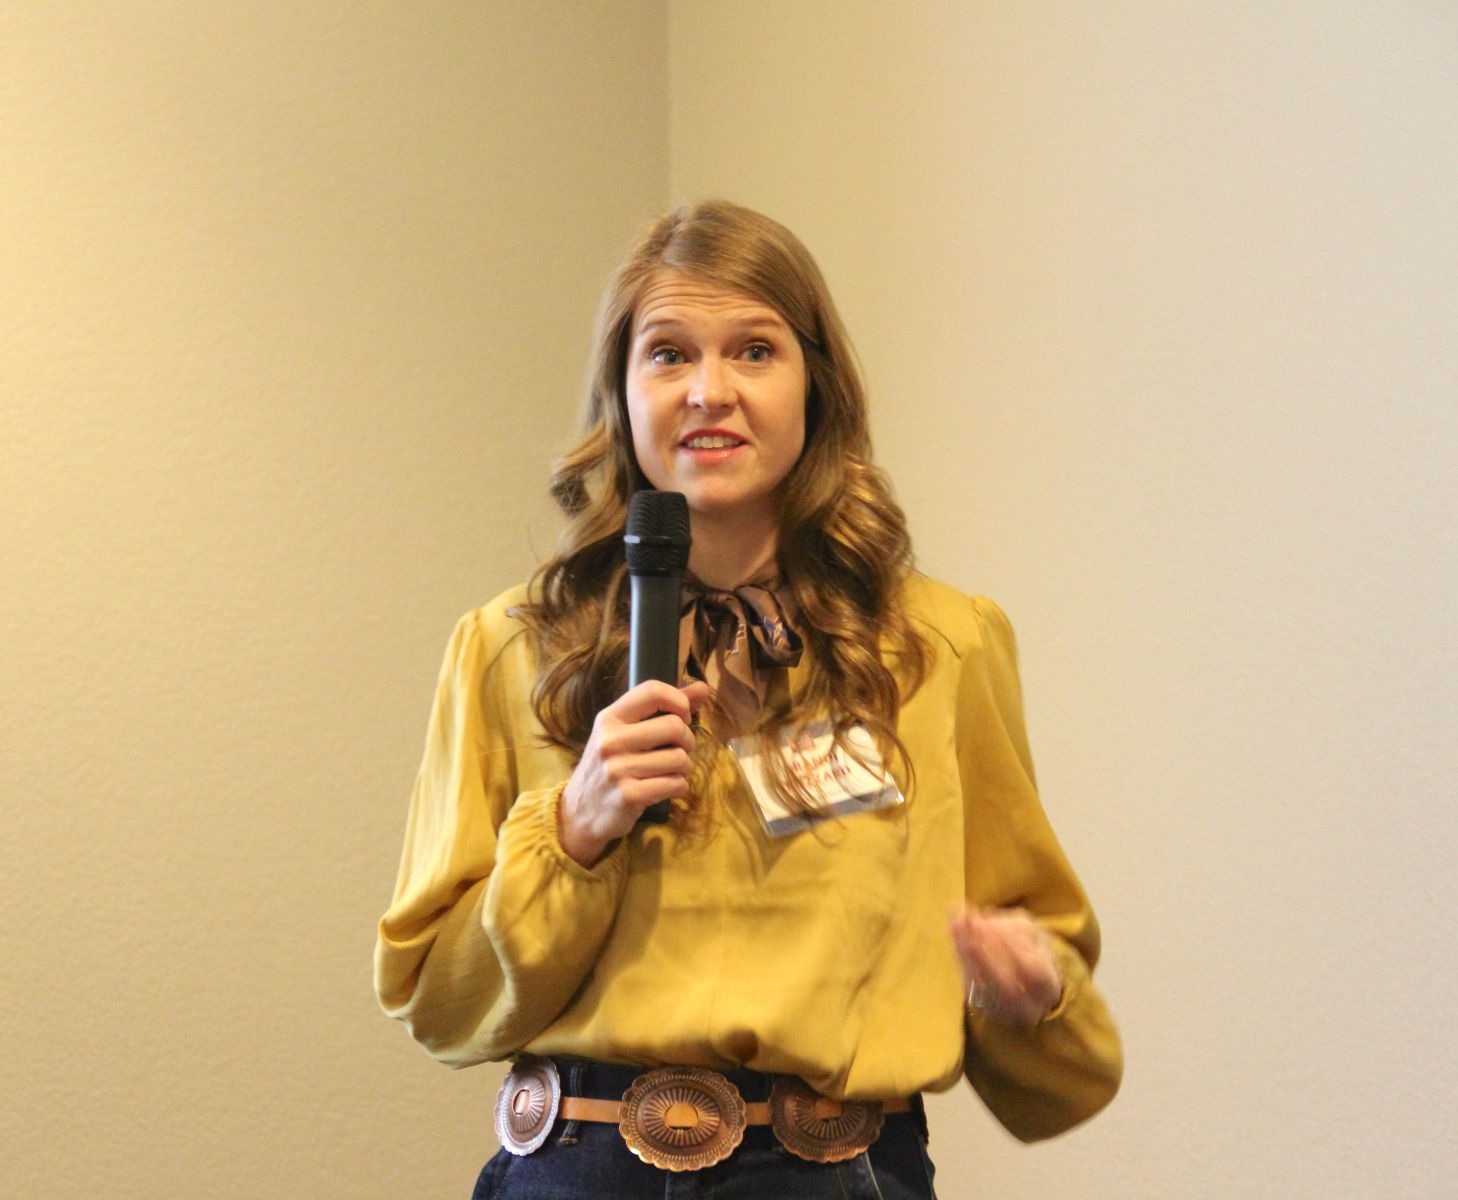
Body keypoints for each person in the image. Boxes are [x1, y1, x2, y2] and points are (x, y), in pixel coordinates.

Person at [374, 200, 1122, 1198]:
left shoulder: (941, 645)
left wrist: (1027, 989)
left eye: (755, 351)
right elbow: (435, 1001)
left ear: (817, 384)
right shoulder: (509, 648)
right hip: (578, 1172)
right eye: (668, 354)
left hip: (834, 1173)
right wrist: (575, 827)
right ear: (622, 392)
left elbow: (1056, 1051)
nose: (709, 392)